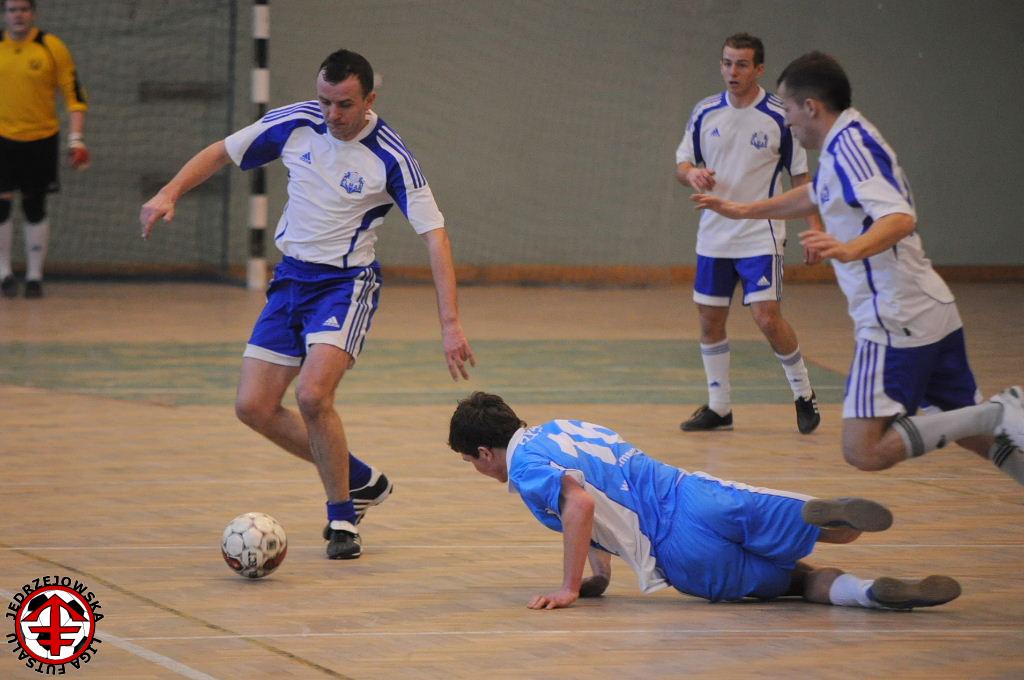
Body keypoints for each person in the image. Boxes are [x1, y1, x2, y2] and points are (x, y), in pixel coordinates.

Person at [140, 49, 476, 559]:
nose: (332, 115)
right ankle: (359, 478)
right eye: (325, 101)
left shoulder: (390, 156)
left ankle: (342, 518)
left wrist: (450, 323)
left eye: (345, 104)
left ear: (369, 99)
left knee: (313, 396)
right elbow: (222, 151)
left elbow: (436, 237)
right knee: (253, 407)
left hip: (345, 285)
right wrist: (169, 192)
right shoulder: (296, 123)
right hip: (290, 280)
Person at [691, 51, 1024, 482]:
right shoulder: (845, 139)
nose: (787, 120)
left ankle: (998, 410)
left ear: (811, 107)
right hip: (928, 308)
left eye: (789, 109)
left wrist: (850, 250)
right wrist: (742, 210)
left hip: (895, 315)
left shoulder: (851, 149)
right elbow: (815, 195)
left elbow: (899, 218)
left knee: (863, 449)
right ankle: (993, 420)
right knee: (970, 432)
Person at [448, 391, 962, 611]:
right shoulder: (565, 427)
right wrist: (599, 576)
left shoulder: (525, 468)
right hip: (694, 495)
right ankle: (830, 520)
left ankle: (867, 593)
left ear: (486, 452)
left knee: (799, 582)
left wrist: (568, 588)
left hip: (680, 553)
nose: (477, 470)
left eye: (472, 460)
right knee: (808, 525)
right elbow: (600, 497)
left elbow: (580, 508)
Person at [674, 33, 824, 435]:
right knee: (709, 320)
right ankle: (720, 408)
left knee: (766, 317)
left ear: (759, 69)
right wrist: (693, 174)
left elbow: (801, 178)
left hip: (761, 233)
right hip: (714, 234)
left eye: (741, 64)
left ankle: (804, 394)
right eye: (727, 63)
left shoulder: (778, 116)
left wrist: (815, 230)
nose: (732, 71)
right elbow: (682, 164)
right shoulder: (705, 111)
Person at [0, 0, 89, 299]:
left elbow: (74, 95)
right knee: (1, 205)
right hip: (2, 138)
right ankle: (4, 274)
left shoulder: (51, 46)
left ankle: (34, 277)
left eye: (24, 9)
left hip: (41, 138)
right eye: (12, 10)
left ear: (33, 13)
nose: (18, 15)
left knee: (34, 205)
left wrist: (76, 139)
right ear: (5, 14)